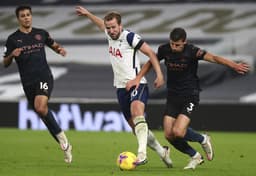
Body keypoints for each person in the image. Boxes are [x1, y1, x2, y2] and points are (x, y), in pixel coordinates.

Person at [127, 27, 249, 169]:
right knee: (168, 135)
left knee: (178, 132)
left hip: (190, 95)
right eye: (172, 43)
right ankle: (195, 156)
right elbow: (150, 61)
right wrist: (138, 78)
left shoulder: (192, 51)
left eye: (177, 45)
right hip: (173, 95)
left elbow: (214, 58)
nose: (174, 47)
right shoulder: (164, 49)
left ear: (184, 42)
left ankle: (203, 138)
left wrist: (233, 65)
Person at [75, 6, 172, 167]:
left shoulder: (130, 37)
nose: (111, 30)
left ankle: (141, 154)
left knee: (137, 113)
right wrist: (88, 14)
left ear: (120, 25)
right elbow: (100, 24)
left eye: (114, 27)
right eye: (109, 28)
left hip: (137, 83)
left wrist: (159, 74)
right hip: (120, 88)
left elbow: (151, 53)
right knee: (137, 129)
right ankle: (162, 151)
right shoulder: (108, 33)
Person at [3, 5, 72, 163]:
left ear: (31, 16)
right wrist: (12, 55)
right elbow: (5, 63)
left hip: (44, 76)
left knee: (40, 107)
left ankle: (63, 140)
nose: (26, 17)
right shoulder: (13, 39)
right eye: (23, 15)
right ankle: (65, 144)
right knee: (42, 113)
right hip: (28, 82)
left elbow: (52, 44)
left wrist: (60, 50)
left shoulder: (41, 33)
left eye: (28, 15)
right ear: (18, 19)